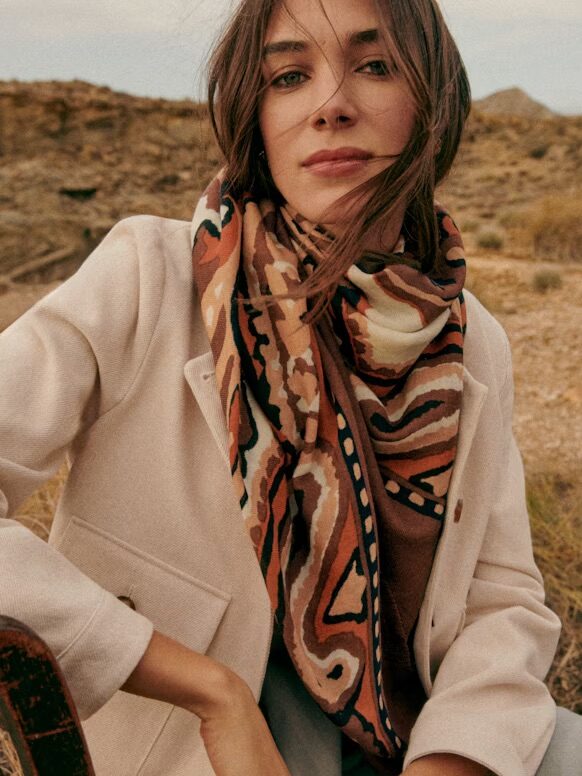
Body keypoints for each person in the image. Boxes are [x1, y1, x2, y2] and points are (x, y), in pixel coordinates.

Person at [0, 0, 579, 774]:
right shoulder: (147, 276)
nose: (330, 105)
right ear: (254, 111)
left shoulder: (470, 336)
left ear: (432, 104)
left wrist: (457, 758)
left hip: (421, 738)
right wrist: (211, 692)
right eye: (289, 75)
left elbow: (502, 599)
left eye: (375, 67)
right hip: (193, 748)